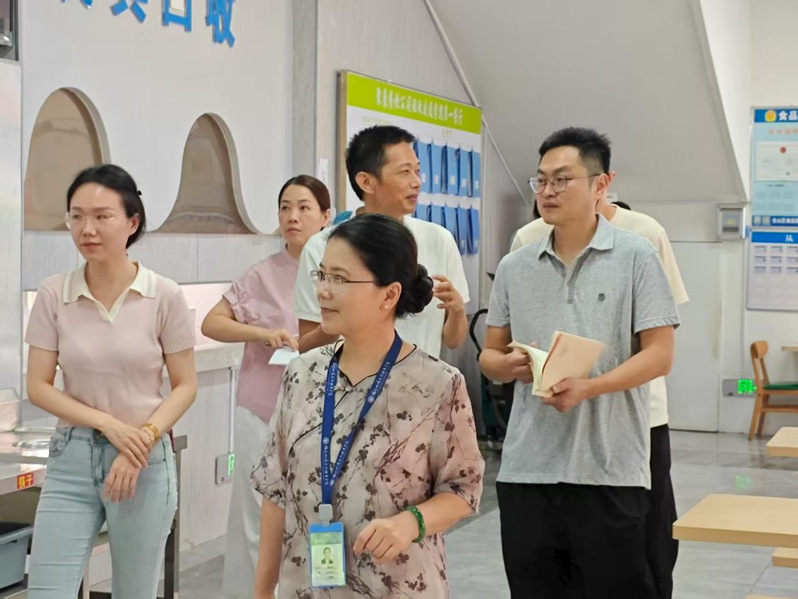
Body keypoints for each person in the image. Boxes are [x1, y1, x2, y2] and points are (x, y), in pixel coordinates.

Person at [480, 127, 680, 598]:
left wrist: (591, 387)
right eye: (541, 180)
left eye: (562, 179)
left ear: (600, 184)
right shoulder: (515, 265)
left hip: (610, 469)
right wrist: (508, 366)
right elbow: (489, 354)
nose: (547, 191)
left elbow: (660, 355)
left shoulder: (636, 256)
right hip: (528, 469)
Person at [253, 214, 484, 598]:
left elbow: (463, 490)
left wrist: (411, 522)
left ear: (389, 295)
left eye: (340, 279)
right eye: (322, 275)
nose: (323, 291)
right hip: (307, 588)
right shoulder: (302, 374)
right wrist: (262, 592)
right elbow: (276, 491)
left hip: (398, 587)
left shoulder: (438, 384)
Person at [25, 164, 197, 598]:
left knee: (134, 592)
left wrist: (141, 438)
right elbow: (38, 386)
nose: (88, 229)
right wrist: (108, 425)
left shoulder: (165, 295)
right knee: (47, 591)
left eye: (102, 216)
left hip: (143, 459)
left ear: (132, 222)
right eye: (77, 216)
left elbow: (185, 385)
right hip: (72, 459)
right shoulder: (54, 293)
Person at [201, 175, 331, 597]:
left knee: (318, 514)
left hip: (323, 414)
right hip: (262, 408)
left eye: (304, 208)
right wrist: (260, 333)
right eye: (285, 207)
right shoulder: (261, 274)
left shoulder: (338, 272)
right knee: (255, 515)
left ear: (326, 217)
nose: (292, 216)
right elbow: (211, 323)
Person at [294, 125, 469, 357]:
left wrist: (457, 312)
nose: (416, 182)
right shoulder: (322, 246)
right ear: (367, 182)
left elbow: (454, 341)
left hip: (420, 378)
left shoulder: (439, 239)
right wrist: (337, 319)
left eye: (417, 171)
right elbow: (307, 347)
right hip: (347, 379)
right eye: (404, 172)